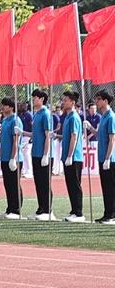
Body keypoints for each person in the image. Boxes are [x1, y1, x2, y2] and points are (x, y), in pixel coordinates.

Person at [58, 91, 86, 222]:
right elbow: (68, 136)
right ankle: (74, 210)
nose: (63, 102)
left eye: (66, 100)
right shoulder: (67, 117)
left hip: (74, 157)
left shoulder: (74, 117)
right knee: (70, 184)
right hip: (68, 156)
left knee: (75, 185)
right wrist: (56, 136)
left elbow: (74, 137)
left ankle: (78, 212)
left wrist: (70, 155)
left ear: (73, 102)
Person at [0, 98, 24, 219]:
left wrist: (13, 158)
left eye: (5, 105)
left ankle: (16, 210)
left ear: (11, 107)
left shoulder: (15, 120)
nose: (2, 107)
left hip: (14, 158)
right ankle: (10, 209)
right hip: (5, 158)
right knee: (7, 184)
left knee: (14, 184)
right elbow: (1, 138)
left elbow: (15, 141)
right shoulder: (5, 120)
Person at [29, 89, 55, 220]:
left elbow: (48, 136)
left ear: (42, 99)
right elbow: (36, 134)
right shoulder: (36, 114)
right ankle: (41, 208)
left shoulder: (46, 114)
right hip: (35, 153)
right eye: (33, 97)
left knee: (44, 183)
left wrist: (46, 154)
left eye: (35, 97)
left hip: (44, 154)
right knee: (38, 182)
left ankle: (47, 209)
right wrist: (22, 133)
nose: (33, 100)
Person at [95, 91, 115, 225]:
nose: (96, 102)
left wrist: (108, 158)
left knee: (110, 188)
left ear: (106, 101)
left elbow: (112, 139)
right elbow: (99, 135)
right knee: (105, 187)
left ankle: (112, 215)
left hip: (110, 159)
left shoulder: (111, 117)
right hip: (102, 157)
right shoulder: (103, 117)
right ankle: (107, 213)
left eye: (99, 99)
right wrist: (90, 128)